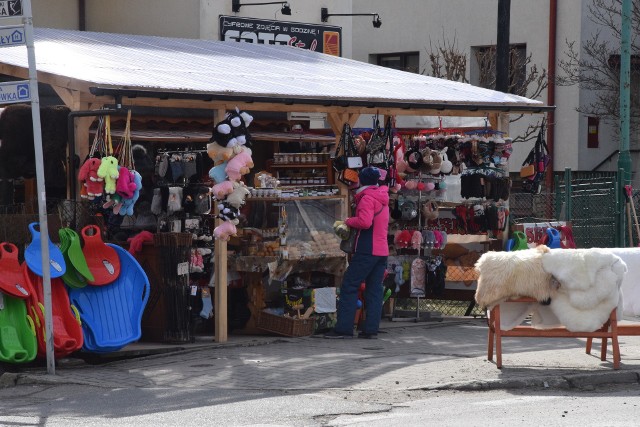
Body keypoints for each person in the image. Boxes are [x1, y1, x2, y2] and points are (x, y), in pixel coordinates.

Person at [325, 166, 389, 339]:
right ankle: (370, 330)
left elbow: (365, 222)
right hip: (382, 251)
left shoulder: (367, 198)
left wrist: (348, 221)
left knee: (349, 285)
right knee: (375, 290)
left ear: (362, 180)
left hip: (367, 250)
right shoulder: (382, 197)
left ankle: (344, 328)